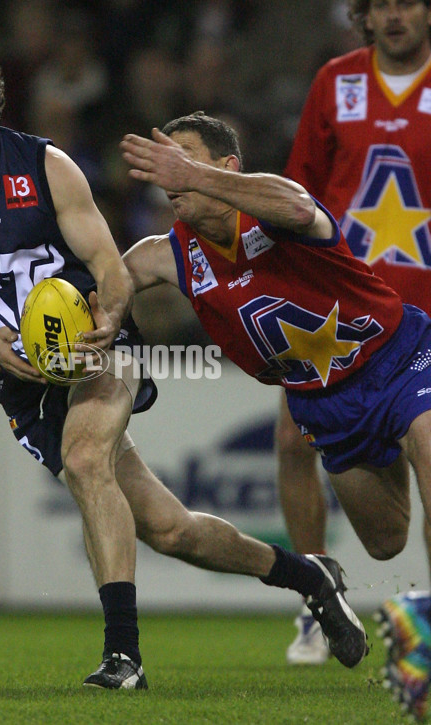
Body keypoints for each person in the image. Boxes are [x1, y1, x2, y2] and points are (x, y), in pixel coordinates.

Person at [0, 33, 369, 689]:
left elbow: (111, 272)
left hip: (97, 347)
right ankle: (307, 575)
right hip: (21, 384)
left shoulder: (46, 165)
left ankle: (124, 656)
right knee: (172, 530)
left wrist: (107, 321)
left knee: (88, 458)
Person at [120, 110, 431, 719]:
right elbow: (104, 283)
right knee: (387, 540)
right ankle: (330, 585)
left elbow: (296, 204)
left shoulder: (270, 207)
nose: (171, 174)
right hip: (326, 402)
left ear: (228, 167)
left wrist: (197, 175)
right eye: (166, 164)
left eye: (185, 158)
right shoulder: (167, 255)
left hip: (400, 356)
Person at [278, 0, 431, 684]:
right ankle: (318, 602)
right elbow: (295, 196)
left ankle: (421, 628)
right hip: (334, 320)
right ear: (363, 17)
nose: (395, 16)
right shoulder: (334, 83)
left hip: (424, 319)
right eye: (381, 4)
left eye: (409, 1)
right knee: (290, 444)